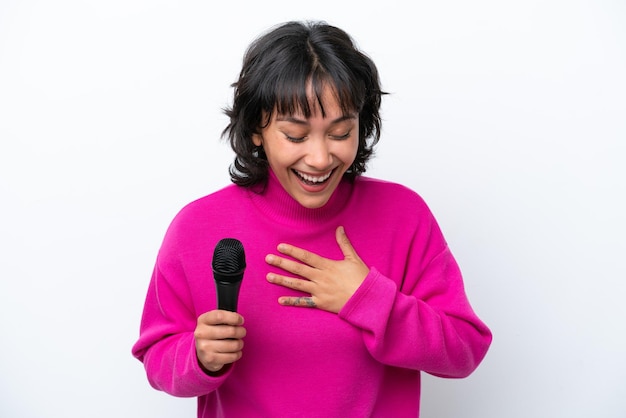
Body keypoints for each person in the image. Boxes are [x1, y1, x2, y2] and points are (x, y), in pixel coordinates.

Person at [132, 20, 492, 418]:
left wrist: (368, 299)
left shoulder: (404, 216)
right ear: (256, 130)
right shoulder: (197, 227)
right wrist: (199, 357)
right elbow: (157, 357)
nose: (320, 159)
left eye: (340, 133)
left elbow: (464, 350)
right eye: (296, 136)